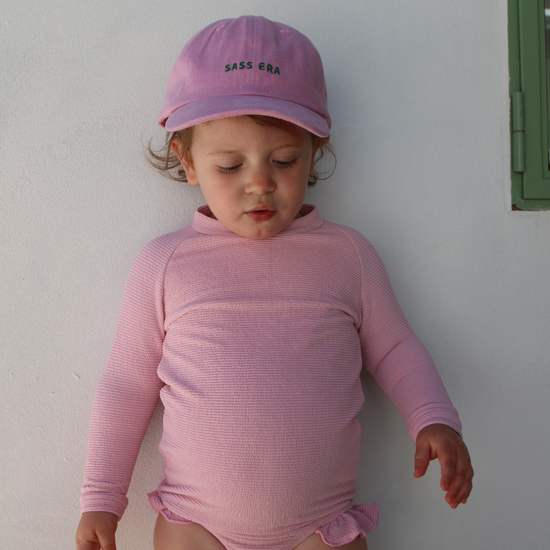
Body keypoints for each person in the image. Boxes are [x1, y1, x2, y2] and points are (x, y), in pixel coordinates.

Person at [76, 15, 473, 550]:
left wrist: (434, 419)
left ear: (314, 152)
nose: (259, 183)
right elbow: (127, 385)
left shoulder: (348, 256)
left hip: (319, 529)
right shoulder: (166, 263)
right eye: (230, 166)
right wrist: (101, 499)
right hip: (196, 524)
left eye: (283, 160)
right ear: (187, 161)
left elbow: (395, 348)